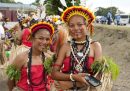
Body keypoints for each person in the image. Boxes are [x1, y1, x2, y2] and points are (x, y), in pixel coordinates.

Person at [51, 6, 102, 91]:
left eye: (79, 24)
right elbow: (54, 73)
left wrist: (71, 84)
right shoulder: (65, 46)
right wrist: (74, 77)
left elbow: (98, 78)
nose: (75, 28)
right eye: (71, 25)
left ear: (87, 25)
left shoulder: (96, 46)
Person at [7, 22, 55, 91]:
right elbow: (10, 81)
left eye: (47, 39)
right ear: (32, 38)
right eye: (41, 38)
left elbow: (50, 79)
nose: (44, 42)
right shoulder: (21, 58)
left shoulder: (48, 58)